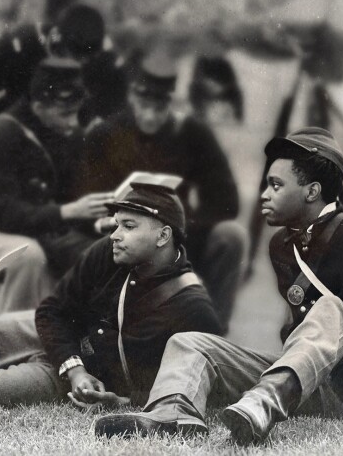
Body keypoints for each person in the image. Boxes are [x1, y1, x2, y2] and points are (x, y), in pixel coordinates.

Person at [94, 128, 343, 445]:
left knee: (331, 310)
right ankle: (171, 414)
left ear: (312, 192)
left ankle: (265, 402)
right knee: (189, 343)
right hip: (312, 382)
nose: (263, 194)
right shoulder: (281, 244)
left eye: (275, 185)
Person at [0, 183, 222, 412]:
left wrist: (118, 401)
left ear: (163, 236)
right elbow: (52, 310)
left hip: (72, 378)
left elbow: (180, 388)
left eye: (128, 226)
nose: (115, 234)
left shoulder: (193, 308)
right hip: (61, 341)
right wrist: (74, 367)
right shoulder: (108, 253)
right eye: (116, 225)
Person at [80, 54, 247, 330]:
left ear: (171, 104)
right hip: (120, 237)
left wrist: (182, 225)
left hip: (181, 238)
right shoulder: (106, 133)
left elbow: (227, 201)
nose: (150, 116)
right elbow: (88, 196)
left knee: (232, 236)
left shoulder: (193, 133)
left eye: (159, 108)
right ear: (132, 97)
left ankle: (214, 335)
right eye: (144, 105)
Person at [0, 58, 113, 315]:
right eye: (65, 113)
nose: (73, 122)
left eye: (75, 113)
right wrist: (66, 214)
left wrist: (96, 222)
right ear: (39, 105)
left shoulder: (63, 133)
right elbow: (1, 213)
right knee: (27, 258)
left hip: (39, 222)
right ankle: (13, 340)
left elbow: (70, 195)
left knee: (102, 252)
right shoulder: (1, 135)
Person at [0, 2, 127, 139]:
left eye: (85, 60)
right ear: (57, 42)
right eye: (70, 57)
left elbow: (111, 109)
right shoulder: (18, 47)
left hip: (61, 120)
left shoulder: (105, 59)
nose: (74, 65)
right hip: (2, 112)